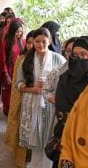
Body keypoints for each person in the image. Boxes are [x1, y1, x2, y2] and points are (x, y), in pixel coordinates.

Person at [47, 36, 88, 168]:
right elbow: (62, 112)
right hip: (67, 140)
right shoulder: (65, 79)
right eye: (75, 54)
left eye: (84, 54)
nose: (78, 59)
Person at [16, 28, 66, 168]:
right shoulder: (26, 59)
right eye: (37, 41)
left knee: (48, 138)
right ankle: (36, 164)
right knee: (36, 137)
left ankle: (47, 165)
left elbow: (64, 83)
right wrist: (34, 89)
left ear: (50, 41)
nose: (40, 45)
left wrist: (50, 88)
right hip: (31, 103)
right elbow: (19, 83)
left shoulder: (59, 59)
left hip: (50, 104)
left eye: (44, 41)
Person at [5, 30, 35, 168]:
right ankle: (22, 159)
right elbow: (17, 86)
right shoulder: (21, 59)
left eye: (34, 42)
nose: (31, 46)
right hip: (23, 99)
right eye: (28, 42)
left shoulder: (47, 59)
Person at [0, 19, 24, 116]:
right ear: (12, 31)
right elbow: (2, 60)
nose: (19, 33)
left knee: (17, 92)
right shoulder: (6, 42)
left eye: (20, 31)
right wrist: (6, 74)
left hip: (18, 71)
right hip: (8, 71)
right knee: (7, 92)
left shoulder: (22, 42)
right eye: (17, 31)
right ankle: (7, 110)